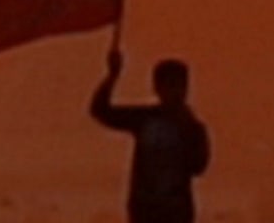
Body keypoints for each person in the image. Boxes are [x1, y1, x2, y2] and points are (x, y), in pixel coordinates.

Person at [90, 50, 211, 223]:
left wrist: (189, 130)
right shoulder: (145, 118)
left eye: (179, 86)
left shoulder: (193, 127)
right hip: (145, 211)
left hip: (176, 213)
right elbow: (100, 111)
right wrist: (112, 76)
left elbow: (199, 167)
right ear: (157, 88)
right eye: (169, 86)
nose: (175, 92)